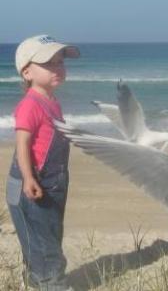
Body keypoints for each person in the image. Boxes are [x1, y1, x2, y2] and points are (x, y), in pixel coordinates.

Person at [6, 35, 80, 291]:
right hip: (34, 181)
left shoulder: (52, 102)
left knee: (48, 234)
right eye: (49, 63)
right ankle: (51, 285)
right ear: (27, 72)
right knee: (42, 242)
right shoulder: (30, 105)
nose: (58, 68)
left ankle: (38, 281)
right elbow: (22, 144)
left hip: (54, 181)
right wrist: (28, 177)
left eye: (60, 62)